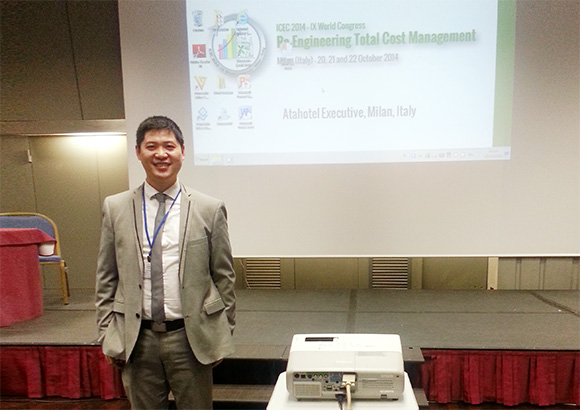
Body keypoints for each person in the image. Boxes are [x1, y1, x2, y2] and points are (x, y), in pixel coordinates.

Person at [95, 116, 236, 409]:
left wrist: (221, 331)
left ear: (182, 151)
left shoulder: (209, 208)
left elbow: (224, 276)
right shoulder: (116, 207)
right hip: (137, 338)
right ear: (138, 152)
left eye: (169, 146)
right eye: (151, 146)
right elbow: (106, 276)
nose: (161, 154)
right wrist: (107, 331)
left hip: (191, 338)